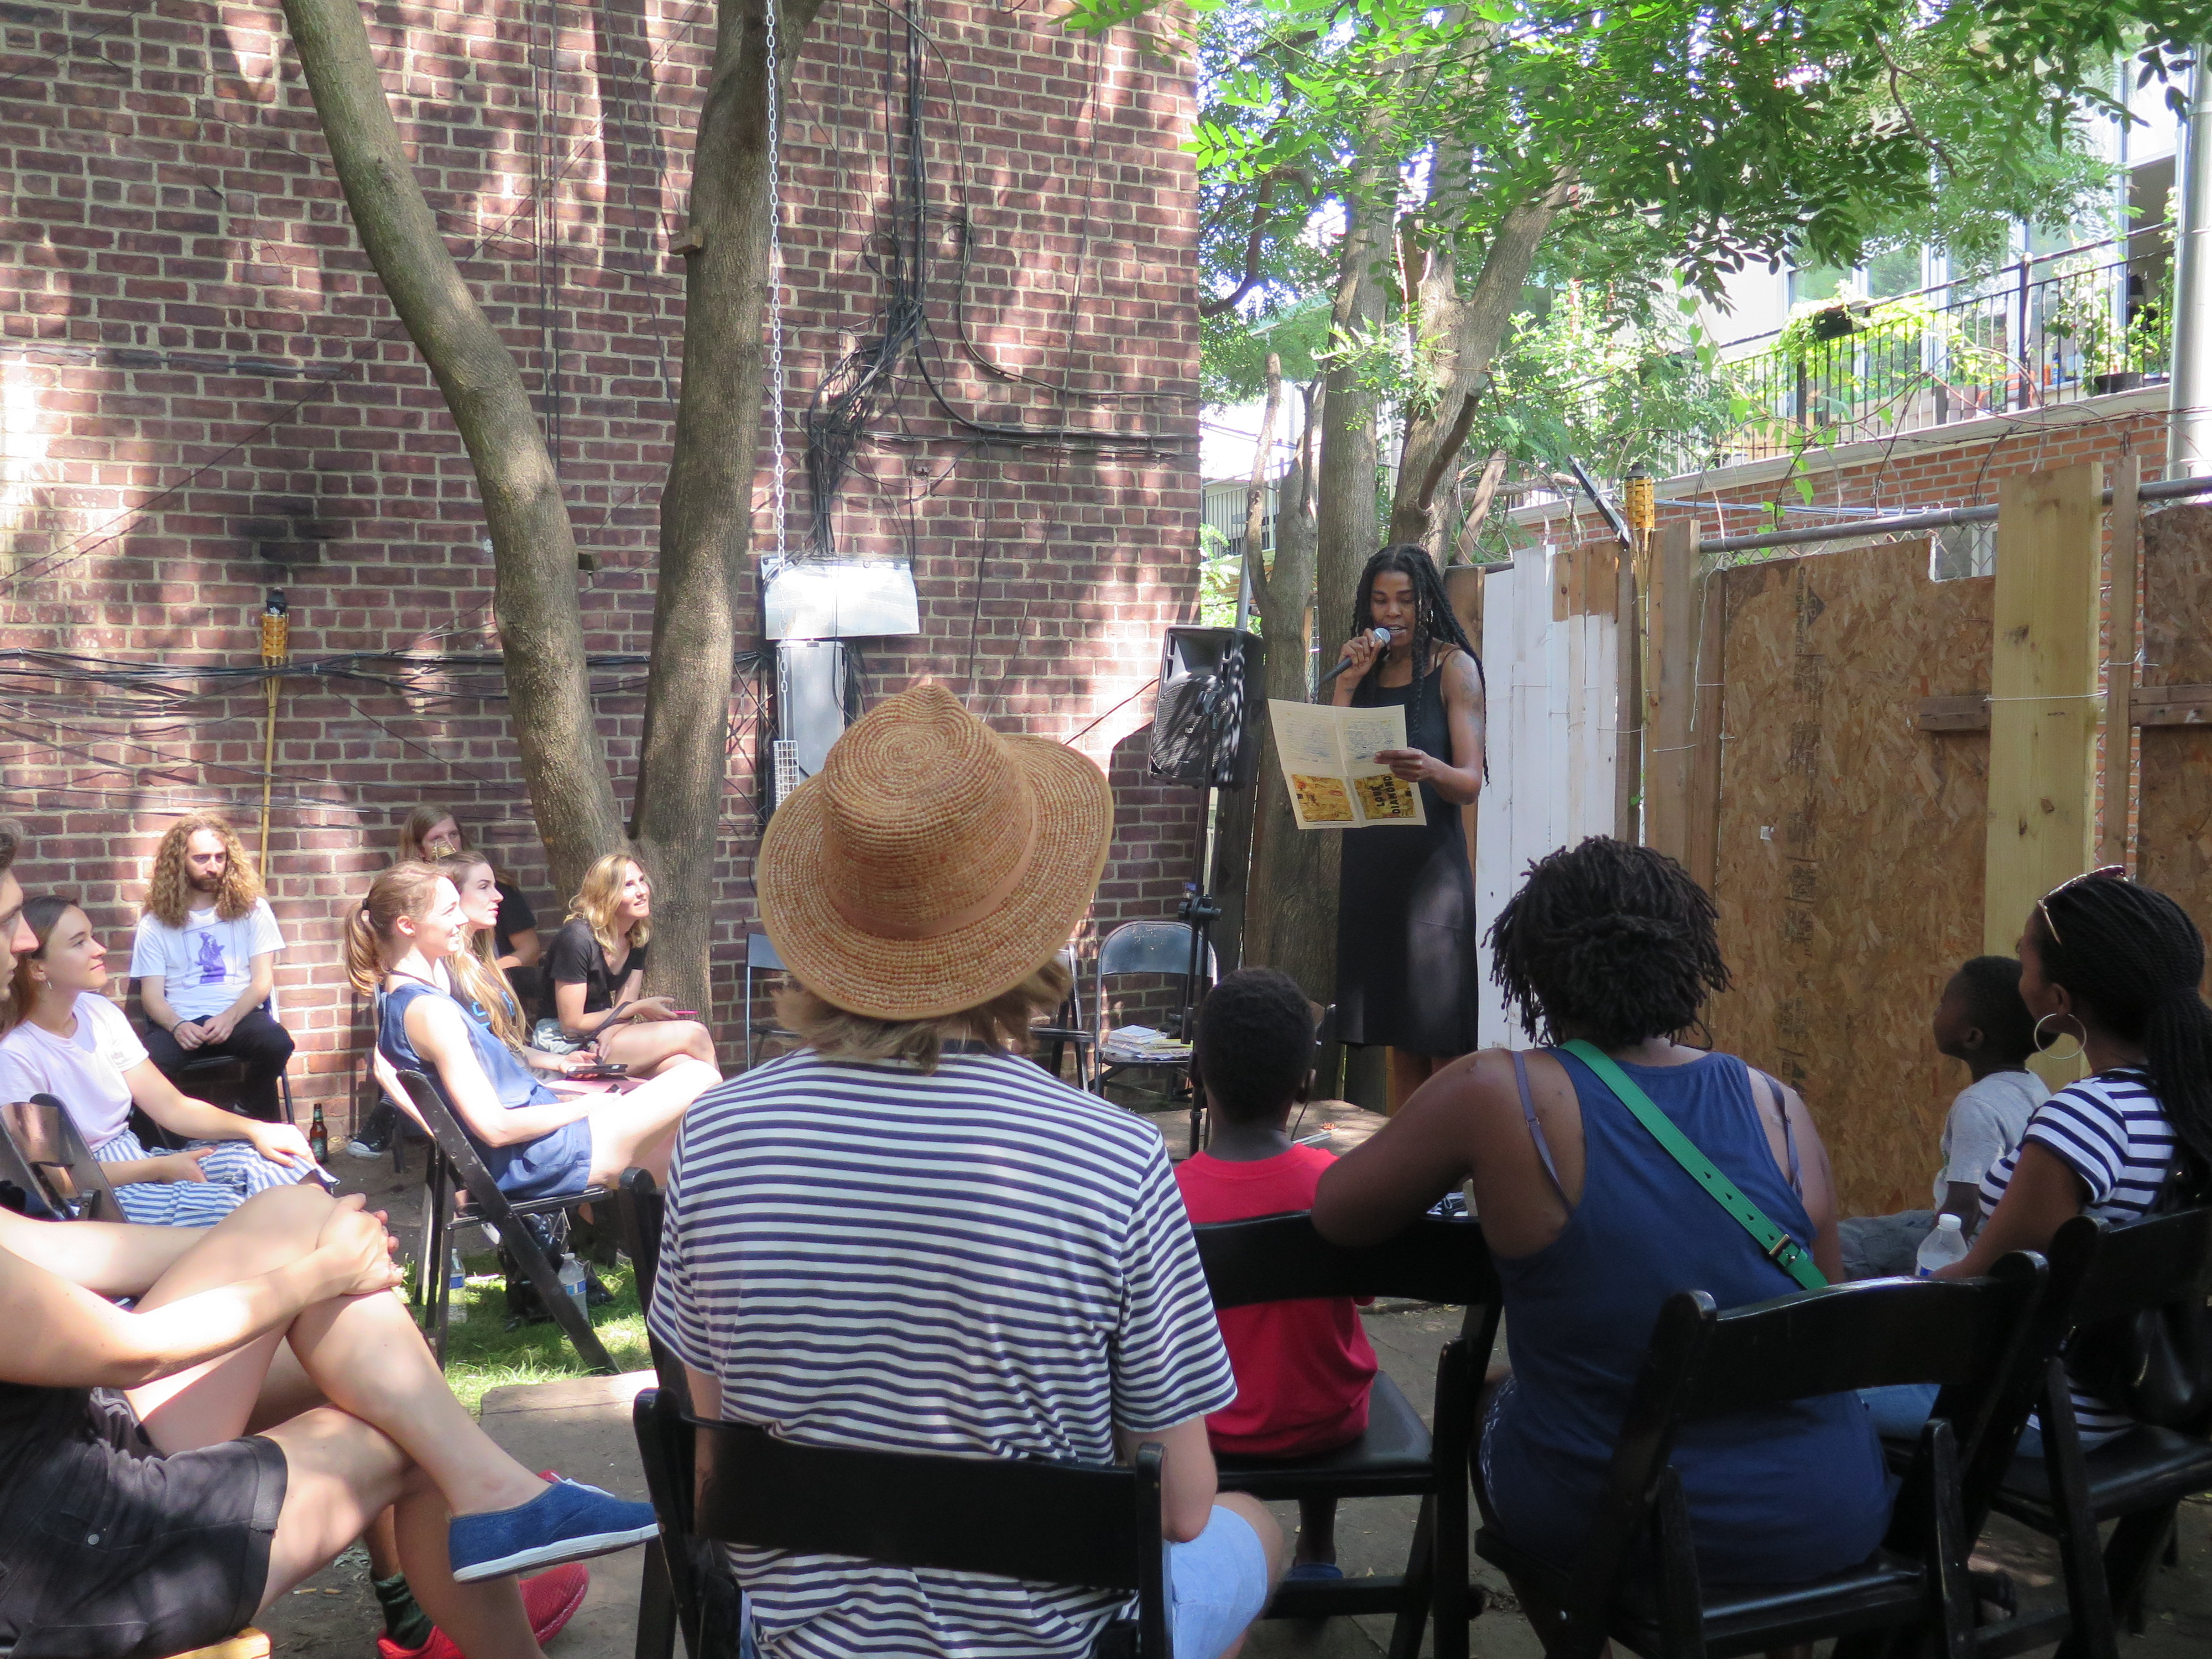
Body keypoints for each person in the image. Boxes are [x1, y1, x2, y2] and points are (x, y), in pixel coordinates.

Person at [648, 683, 1285, 1659]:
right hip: (1052, 1644)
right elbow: (1183, 1505)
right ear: (1032, 929)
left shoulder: (716, 1137)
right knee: (1253, 1530)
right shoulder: (1115, 1163)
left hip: (803, 1648)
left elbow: (715, 1455)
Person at [0, 818, 659, 1658]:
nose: (24, 940)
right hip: (68, 1549)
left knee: (301, 1222)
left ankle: (486, 1501)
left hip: (76, 1438)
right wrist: (309, 1277)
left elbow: (53, 1249)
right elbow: (127, 1351)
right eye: (8, 921)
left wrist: (302, 1238)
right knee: (404, 1426)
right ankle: (478, 1518)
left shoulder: (95, 1019)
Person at [1311, 836, 1890, 1594]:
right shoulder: (1777, 1106)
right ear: (1688, 957)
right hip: (1829, 1512)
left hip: (1626, 1524)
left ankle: (1577, 1637)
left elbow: (1338, 1215)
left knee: (1483, 1393)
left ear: (1533, 968)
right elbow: (1825, 1323)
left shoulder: (1496, 1091)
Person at [1872, 868, 2212, 1452]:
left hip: (2041, 1412)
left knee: (1792, 1387)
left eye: (2023, 959)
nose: (2017, 971)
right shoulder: (2187, 1101)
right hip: (2152, 1397)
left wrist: (1882, 1305)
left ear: (2057, 1002)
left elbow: (1985, 1285)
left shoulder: (2088, 1117)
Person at [1175, 967, 1378, 1583]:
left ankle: (1207, 1546)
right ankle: (1316, 1548)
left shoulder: (1164, 1198)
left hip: (1208, 1430)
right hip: (1329, 1419)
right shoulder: (1337, 1187)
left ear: (1196, 1076)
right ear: (1305, 1083)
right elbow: (1364, 1295)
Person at [349, 863, 718, 1197]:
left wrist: (567, 1091)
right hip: (546, 1157)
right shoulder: (431, 1012)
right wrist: (587, 1107)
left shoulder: (406, 1000)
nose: (462, 918)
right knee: (698, 1075)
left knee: (695, 1151)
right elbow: (496, 1128)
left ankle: (633, 1237)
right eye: (449, 911)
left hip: (544, 1147)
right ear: (407, 926)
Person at [0, 896, 316, 1225]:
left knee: (284, 1163)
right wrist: (158, 1168)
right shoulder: (15, 1054)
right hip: (99, 1191)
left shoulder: (98, 1012)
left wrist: (257, 1130)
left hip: (138, 1155)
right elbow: (54, 1182)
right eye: (79, 943)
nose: (99, 949)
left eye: (92, 937)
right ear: (38, 968)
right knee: (244, 1215)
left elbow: (172, 1107)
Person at [1326, 545, 1486, 1107]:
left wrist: (1431, 769)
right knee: (1401, 1039)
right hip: (1373, 873)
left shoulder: (1455, 668)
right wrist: (1347, 685)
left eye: (1404, 600)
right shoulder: (1363, 672)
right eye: (1379, 601)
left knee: (1443, 1041)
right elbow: (1331, 765)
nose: (1391, 613)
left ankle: (1453, 1157)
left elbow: (1470, 782)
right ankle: (1410, 1155)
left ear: (1426, 603)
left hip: (1432, 881)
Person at [1837, 956, 2047, 1279]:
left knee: (1840, 1248)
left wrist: (1933, 1281)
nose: (1936, 1011)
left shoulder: (1977, 1106)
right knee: (1864, 1230)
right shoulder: (2032, 1085)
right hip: (1988, 1235)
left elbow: (1964, 1209)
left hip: (1969, 1247)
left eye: (1944, 1005)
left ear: (1973, 1037)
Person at [131, 814, 295, 1122]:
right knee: (146, 1069)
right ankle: (166, 1142)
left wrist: (229, 1018)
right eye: (202, 858)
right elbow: (151, 996)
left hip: (239, 1015)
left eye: (220, 857)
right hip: (182, 1022)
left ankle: (249, 1110)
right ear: (179, 862)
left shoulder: (254, 910)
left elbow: (262, 981)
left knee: (277, 1042)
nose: (213, 867)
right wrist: (177, 1026)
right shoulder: (155, 923)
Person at [542, 853, 716, 1078]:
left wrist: (611, 1031)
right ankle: (728, 1101)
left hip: (604, 1035)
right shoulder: (577, 939)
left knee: (685, 1066)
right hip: (564, 1043)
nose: (642, 891)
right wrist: (639, 1008)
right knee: (695, 1033)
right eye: (629, 885)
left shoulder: (636, 936)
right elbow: (572, 1024)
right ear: (606, 895)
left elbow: (625, 1006)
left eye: (642, 881)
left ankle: (715, 1100)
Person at [397, 805, 543, 980]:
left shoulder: (497, 888)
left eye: (453, 834)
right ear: (420, 849)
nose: (448, 844)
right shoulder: (413, 897)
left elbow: (530, 950)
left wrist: (480, 977)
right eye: (436, 839)